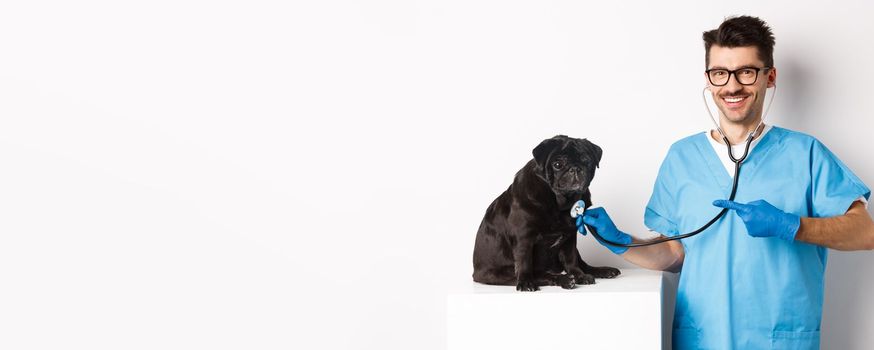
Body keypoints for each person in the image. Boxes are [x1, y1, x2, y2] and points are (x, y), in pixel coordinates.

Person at [577, 16, 874, 349]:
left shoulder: (805, 153)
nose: (732, 86)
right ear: (708, 79)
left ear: (770, 77)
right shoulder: (682, 157)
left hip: (781, 339)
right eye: (720, 73)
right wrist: (621, 241)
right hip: (704, 338)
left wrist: (792, 226)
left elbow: (866, 233)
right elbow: (677, 254)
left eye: (746, 72)